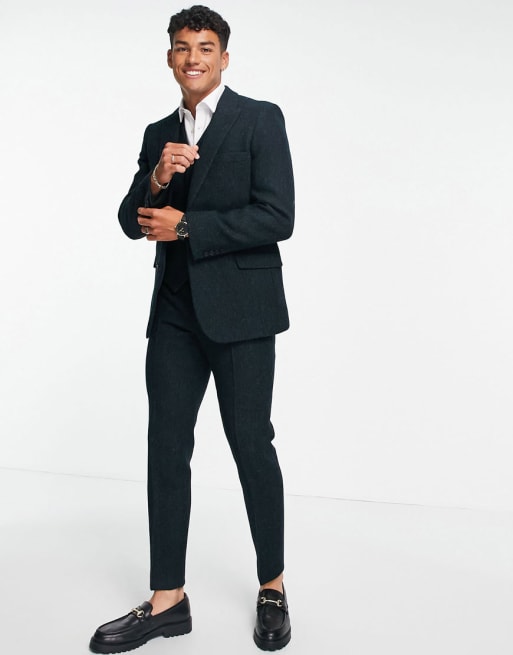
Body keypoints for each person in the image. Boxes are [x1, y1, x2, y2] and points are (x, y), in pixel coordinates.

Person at [89, 5, 294, 653]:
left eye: (205, 47)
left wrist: (190, 226)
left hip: (242, 312)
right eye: (182, 47)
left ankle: (272, 586)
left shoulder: (259, 119)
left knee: (250, 444)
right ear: (169, 58)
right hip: (175, 313)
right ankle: (167, 599)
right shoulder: (159, 132)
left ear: (224, 58)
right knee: (166, 447)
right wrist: (156, 177)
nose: (193, 57)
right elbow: (131, 221)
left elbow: (278, 216)